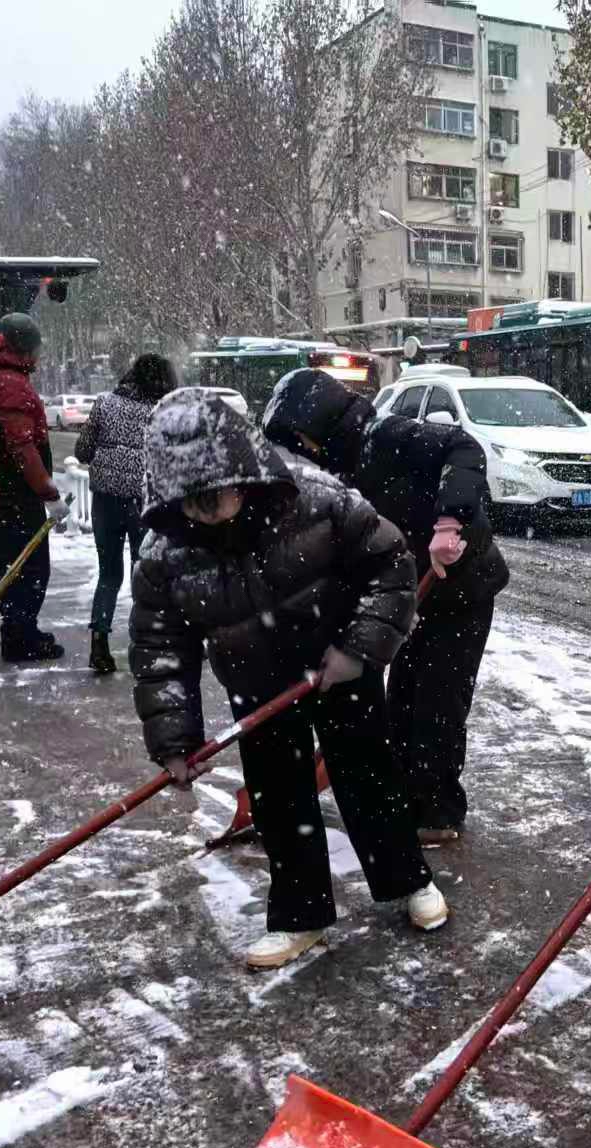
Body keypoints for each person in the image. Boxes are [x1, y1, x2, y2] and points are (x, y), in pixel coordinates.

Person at [129, 389, 448, 969]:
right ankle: (301, 915)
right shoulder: (165, 551)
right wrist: (175, 741)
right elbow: (160, 646)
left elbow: (392, 565)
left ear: (242, 470)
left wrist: (358, 650)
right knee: (278, 798)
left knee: (368, 775)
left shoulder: (317, 499)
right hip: (257, 683)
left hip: (337, 666)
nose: (205, 512)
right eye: (189, 501)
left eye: (215, 495)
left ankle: (408, 880)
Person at [262, 368, 509, 845]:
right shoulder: (335, 473)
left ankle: (438, 810)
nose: (300, 448)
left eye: (299, 436)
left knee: (439, 700)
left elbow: (464, 448)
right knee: (401, 700)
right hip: (410, 592)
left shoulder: (387, 434)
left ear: (318, 421)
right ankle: (407, 799)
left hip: (462, 589)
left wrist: (449, 521)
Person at [0, 313, 69, 662]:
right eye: (35, 350)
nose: (38, 357)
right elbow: (22, 447)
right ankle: (22, 638)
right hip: (12, 491)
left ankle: (18, 632)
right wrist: (48, 493)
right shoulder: (9, 382)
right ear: (22, 348)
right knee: (32, 567)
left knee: (8, 565)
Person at [75, 353, 178, 675]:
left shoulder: (105, 403)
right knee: (144, 572)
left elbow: (82, 451)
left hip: (105, 500)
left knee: (109, 574)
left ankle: (99, 642)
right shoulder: (164, 411)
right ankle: (146, 643)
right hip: (144, 504)